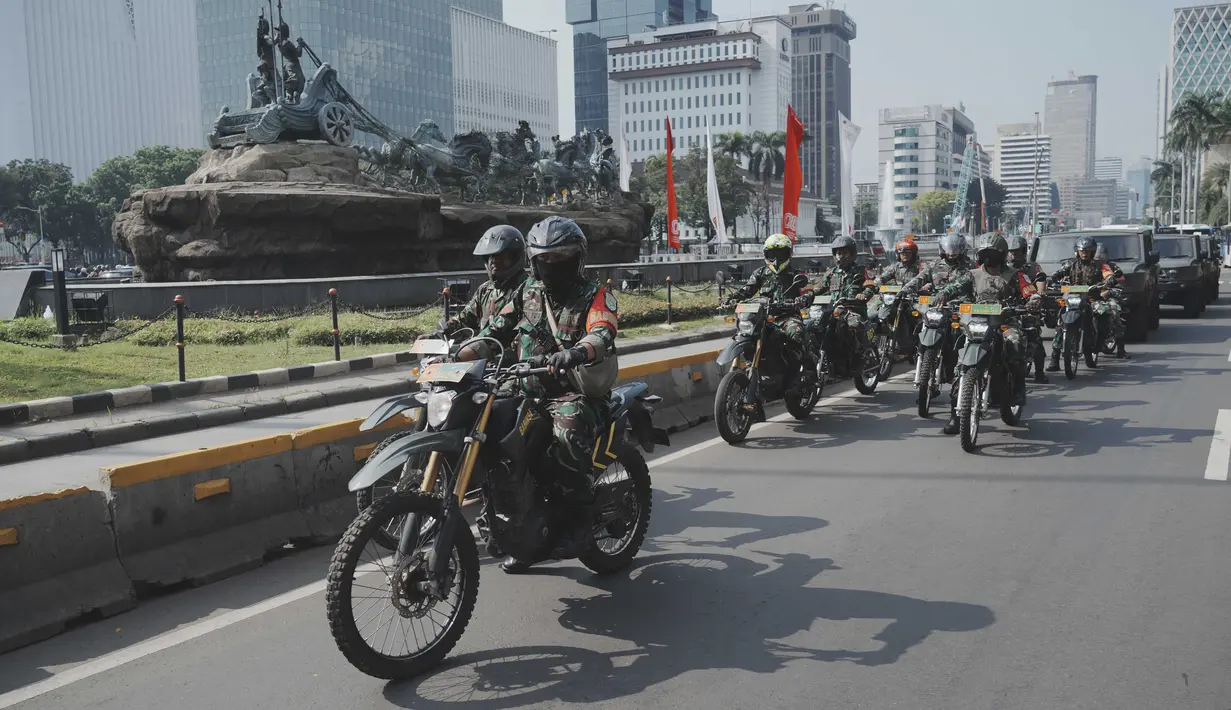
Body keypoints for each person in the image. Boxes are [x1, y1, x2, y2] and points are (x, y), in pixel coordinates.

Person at [465, 216, 618, 574]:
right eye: (545, 258)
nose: (552, 265)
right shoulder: (526, 293)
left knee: (566, 433)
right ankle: (517, 527)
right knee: (485, 429)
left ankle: (580, 522)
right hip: (521, 388)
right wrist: (452, 356)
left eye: (560, 257)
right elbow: (493, 332)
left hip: (572, 391)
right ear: (533, 260)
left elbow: (602, 332)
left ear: (576, 257)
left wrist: (577, 352)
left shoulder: (596, 294)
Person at [933, 233, 1041, 435]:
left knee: (1015, 342)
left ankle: (1017, 390)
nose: (988, 258)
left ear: (1001, 255)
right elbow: (953, 287)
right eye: (985, 254)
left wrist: (1033, 299)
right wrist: (943, 294)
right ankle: (956, 416)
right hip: (976, 322)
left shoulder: (1015, 274)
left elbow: (1030, 290)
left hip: (1004, 322)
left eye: (992, 253)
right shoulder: (971, 274)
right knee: (961, 364)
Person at [721, 233, 815, 374]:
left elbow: (809, 291)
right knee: (746, 335)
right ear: (766, 254)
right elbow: (747, 290)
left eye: (781, 253)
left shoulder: (796, 274)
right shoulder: (760, 273)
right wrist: (730, 299)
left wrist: (802, 299)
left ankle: (800, 371)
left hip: (788, 316)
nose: (777, 258)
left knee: (795, 334)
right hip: (763, 317)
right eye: (773, 253)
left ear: (789, 254)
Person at [1043, 235, 1127, 371]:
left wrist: (1110, 280)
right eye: (1082, 251)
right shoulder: (1071, 264)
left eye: (1087, 251)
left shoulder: (1101, 265)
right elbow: (1057, 274)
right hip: (1072, 296)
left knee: (1104, 311)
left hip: (1092, 297)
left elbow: (1108, 275)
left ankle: (1100, 341)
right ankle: (1054, 358)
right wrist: (1052, 280)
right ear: (1077, 251)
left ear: (1093, 252)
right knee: (1060, 321)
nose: (1084, 253)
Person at [435, 225, 528, 342]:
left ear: (516, 257)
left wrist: (474, 346)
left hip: (515, 357)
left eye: (502, 256)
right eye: (491, 257)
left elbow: (502, 326)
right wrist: (441, 331)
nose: (494, 261)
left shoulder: (528, 289)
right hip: (481, 353)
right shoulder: (485, 290)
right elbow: (466, 318)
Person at [811, 235, 874, 352]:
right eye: (838, 253)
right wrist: (808, 294)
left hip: (853, 310)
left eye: (844, 253)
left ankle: (858, 354)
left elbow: (870, 287)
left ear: (852, 254)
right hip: (833, 311)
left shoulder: (861, 271)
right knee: (814, 326)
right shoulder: (831, 273)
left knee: (853, 327)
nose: (841, 256)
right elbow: (819, 288)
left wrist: (863, 295)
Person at [865, 238, 925, 359]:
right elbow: (882, 277)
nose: (905, 256)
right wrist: (875, 283)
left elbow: (925, 280)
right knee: (870, 314)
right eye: (902, 253)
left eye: (908, 253)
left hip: (911, 300)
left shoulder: (920, 268)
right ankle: (867, 343)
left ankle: (912, 345)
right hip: (893, 299)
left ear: (914, 254)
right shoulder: (895, 267)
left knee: (916, 318)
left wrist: (924, 287)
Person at [1005, 235, 1050, 383]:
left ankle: (1039, 372)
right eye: (1011, 252)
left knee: (1033, 333)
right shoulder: (1002, 268)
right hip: (1005, 307)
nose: (1013, 255)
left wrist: (1039, 295)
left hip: (1027, 306)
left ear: (1024, 251)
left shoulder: (1032, 267)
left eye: (1016, 252)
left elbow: (1041, 282)